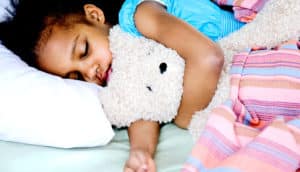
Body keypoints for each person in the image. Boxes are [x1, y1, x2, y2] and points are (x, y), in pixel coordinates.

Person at [0, 0, 245, 171]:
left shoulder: (140, 16)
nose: (90, 72)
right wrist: (140, 152)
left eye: (84, 51)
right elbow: (144, 106)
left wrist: (182, 118)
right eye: (76, 77)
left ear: (95, 16)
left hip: (257, 40)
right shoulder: (126, 67)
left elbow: (208, 58)